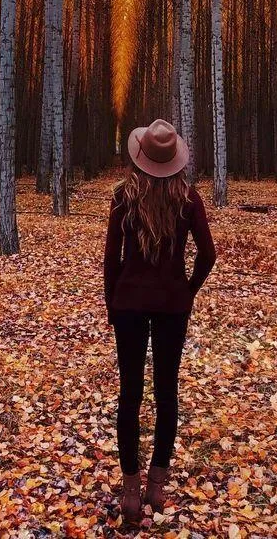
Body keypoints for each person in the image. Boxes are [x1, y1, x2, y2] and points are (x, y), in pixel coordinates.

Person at [103, 119, 216, 523]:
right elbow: (208, 254)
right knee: (167, 394)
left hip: (130, 305)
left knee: (130, 396)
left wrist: (111, 304)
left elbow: (111, 260)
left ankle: (130, 492)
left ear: (141, 156)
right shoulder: (189, 199)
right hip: (172, 306)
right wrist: (188, 289)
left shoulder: (123, 197)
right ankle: (156, 486)